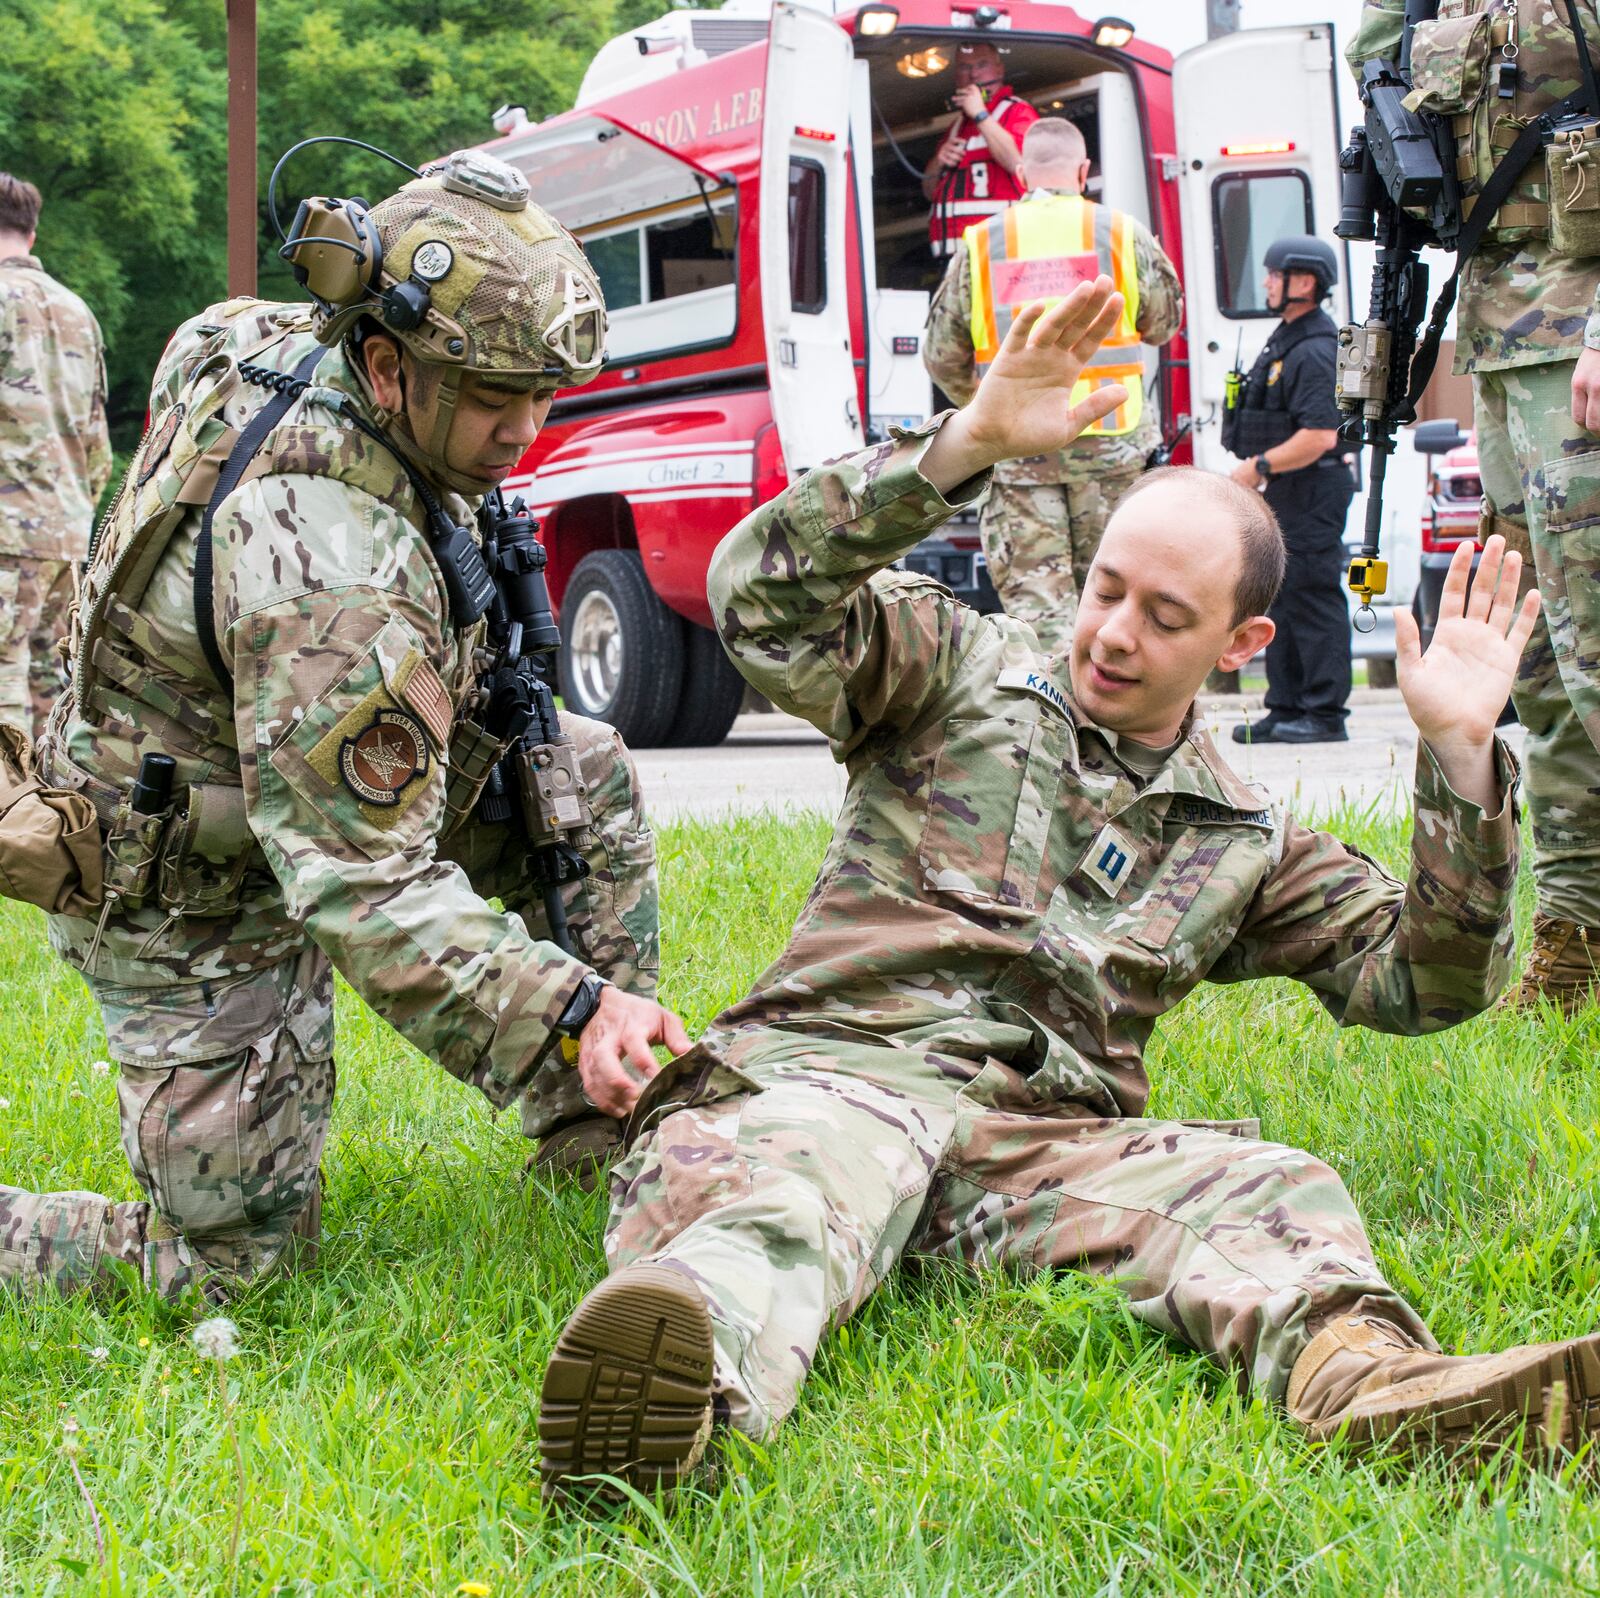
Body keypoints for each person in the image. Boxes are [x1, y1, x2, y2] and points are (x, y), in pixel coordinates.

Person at [535, 278, 1597, 1505]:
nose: (1111, 634)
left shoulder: (1239, 832)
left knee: (1270, 1182)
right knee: (796, 1177)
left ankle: (1376, 1389)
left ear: (1240, 647)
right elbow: (755, 598)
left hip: (1025, 1163)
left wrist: (1463, 757)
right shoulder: (954, 666)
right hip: (826, 1081)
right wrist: (963, 444)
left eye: (1163, 616)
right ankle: (670, 1387)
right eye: (1105, 589)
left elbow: (1426, 981)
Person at [0, 150, 687, 1303]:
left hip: (276, 777)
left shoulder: (257, 332)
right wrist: (570, 1008)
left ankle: (593, 1133)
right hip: (186, 880)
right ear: (383, 362)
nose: (524, 429)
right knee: (236, 1269)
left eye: (542, 393)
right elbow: (362, 888)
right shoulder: (327, 569)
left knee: (580, 772)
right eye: (489, 397)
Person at [1350, 1, 1600, 1007]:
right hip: (1499, 344)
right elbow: (1384, 75)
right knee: (1542, 673)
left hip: (1580, 347)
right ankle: (1576, 942)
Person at [924, 117, 1183, 652]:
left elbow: (941, 354)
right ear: (1084, 171)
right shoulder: (1120, 231)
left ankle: (1057, 728)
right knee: (1119, 602)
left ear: (1020, 174)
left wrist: (986, 408)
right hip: (1114, 446)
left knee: (1040, 616)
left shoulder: (982, 243)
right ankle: (1115, 727)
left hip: (1018, 455)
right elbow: (1164, 323)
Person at [1223, 235, 1355, 746]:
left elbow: (1320, 435)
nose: (1266, 283)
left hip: (1312, 489)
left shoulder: (1316, 349)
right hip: (1287, 490)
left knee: (1312, 597)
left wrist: (1258, 466)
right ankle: (1286, 708)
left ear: (1303, 281)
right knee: (1280, 596)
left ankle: (1324, 715)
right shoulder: (1287, 338)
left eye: (1274, 274)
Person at [0, 172, 112, 740]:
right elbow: (97, 437)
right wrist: (77, 512)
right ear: (33, 233)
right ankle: (50, 822)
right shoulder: (77, 311)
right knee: (54, 688)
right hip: (66, 531)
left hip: (6, 532)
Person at [921, 42, 1038, 262]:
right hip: (954, 255)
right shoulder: (956, 127)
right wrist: (938, 161)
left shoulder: (1017, 111)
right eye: (965, 67)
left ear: (999, 70)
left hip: (1002, 251)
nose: (973, 74)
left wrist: (980, 115)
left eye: (982, 65)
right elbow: (929, 192)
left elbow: (1018, 163)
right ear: (957, 76)